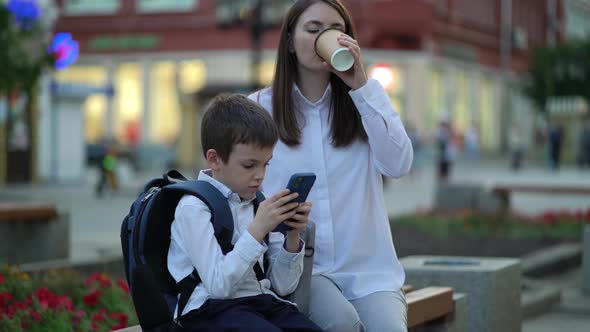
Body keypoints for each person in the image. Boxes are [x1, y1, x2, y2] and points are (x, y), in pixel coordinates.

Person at [249, 1, 413, 331]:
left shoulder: (364, 101)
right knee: (342, 325)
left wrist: (362, 87)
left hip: (369, 272)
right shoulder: (259, 110)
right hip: (300, 271)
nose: (325, 37)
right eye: (313, 29)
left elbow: (399, 164)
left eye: (335, 30)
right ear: (290, 42)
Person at [168, 94, 322, 332]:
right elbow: (219, 286)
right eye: (250, 165)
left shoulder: (256, 203)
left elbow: (282, 286)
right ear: (214, 159)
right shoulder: (193, 208)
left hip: (260, 302)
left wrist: (293, 236)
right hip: (209, 310)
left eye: (266, 164)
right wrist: (257, 230)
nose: (260, 175)